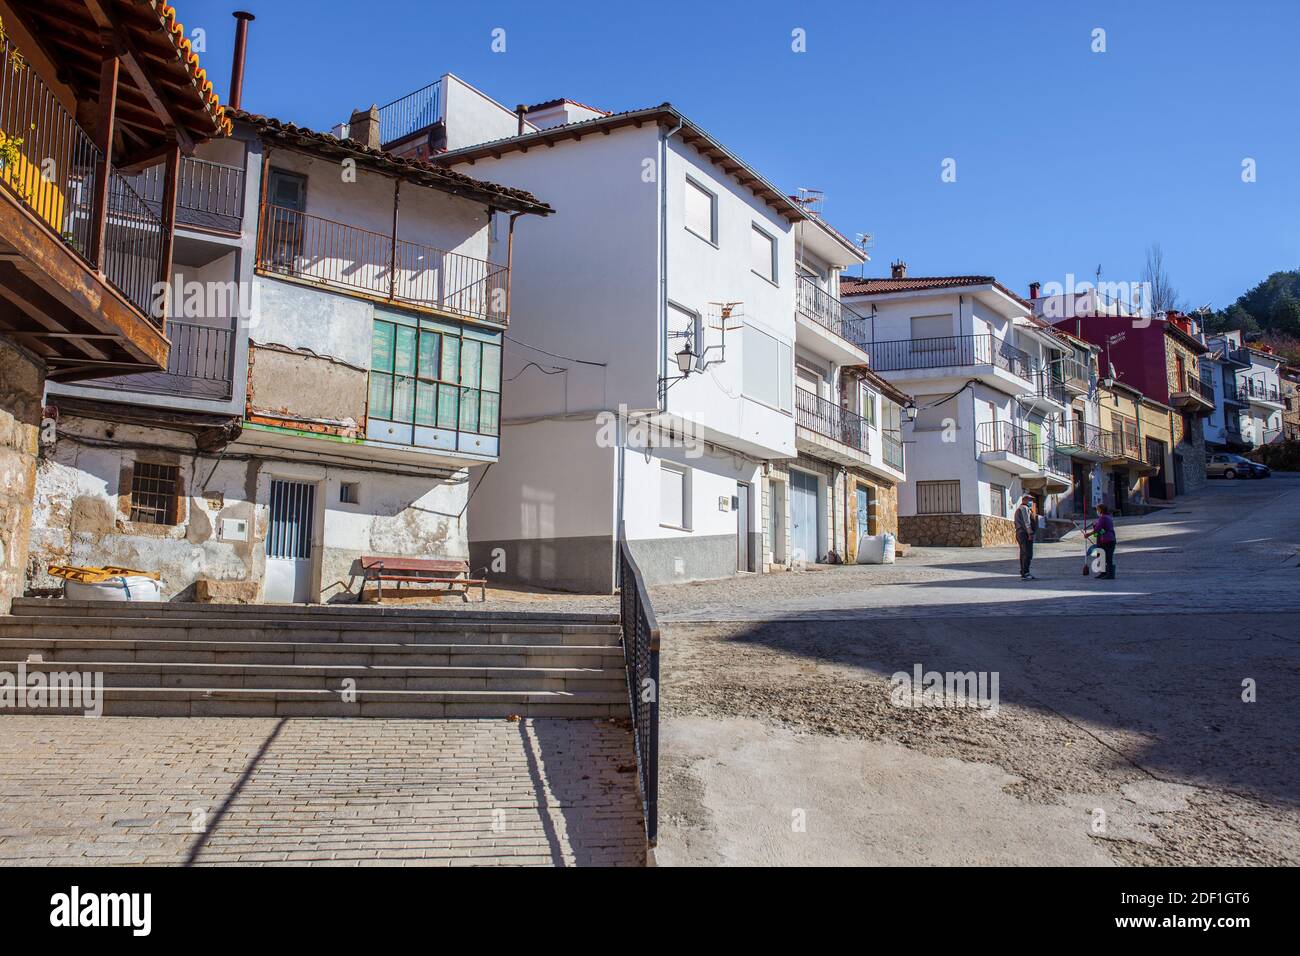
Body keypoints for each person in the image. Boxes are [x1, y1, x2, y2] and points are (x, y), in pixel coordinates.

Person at [1086, 503, 1117, 579]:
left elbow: (1098, 529)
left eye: (1097, 509)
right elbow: (1102, 529)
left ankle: (1110, 574)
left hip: (1107, 540)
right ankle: (1103, 573)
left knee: (1107, 557)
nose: (1097, 511)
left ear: (1100, 510)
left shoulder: (1103, 518)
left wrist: (1088, 534)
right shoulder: (1108, 517)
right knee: (1102, 557)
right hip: (1108, 539)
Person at [1013, 494, 1036, 580]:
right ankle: (1025, 573)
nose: (1031, 501)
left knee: (1024, 553)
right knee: (1027, 553)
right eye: (1029, 499)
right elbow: (1027, 522)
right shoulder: (1024, 508)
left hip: (1021, 533)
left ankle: (1024, 571)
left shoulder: (1022, 508)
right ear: (1024, 499)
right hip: (1024, 533)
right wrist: (1030, 533)